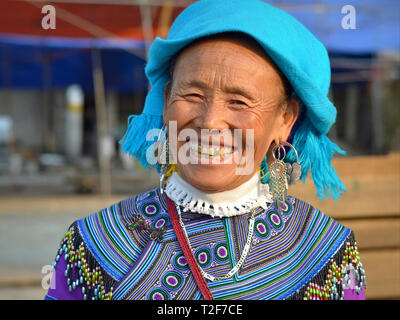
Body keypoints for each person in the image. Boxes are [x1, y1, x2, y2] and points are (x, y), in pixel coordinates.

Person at [45, 0, 366, 300]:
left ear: (285, 120)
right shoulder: (91, 246)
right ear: (167, 97)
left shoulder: (327, 255)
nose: (210, 122)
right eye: (193, 95)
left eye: (239, 102)